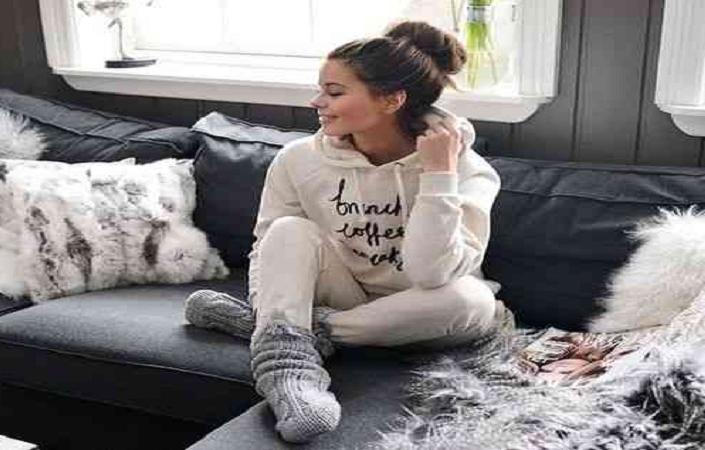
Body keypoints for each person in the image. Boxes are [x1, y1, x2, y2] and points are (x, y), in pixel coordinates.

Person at [184, 20, 511, 443]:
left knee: (473, 299)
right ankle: (290, 370)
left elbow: (432, 273)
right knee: (287, 231)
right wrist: (273, 300)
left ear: (392, 99)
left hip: (426, 312)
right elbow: (269, 254)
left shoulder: (468, 171)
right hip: (345, 291)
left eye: (335, 92)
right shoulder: (298, 160)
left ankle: (292, 331)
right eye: (321, 89)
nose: (317, 101)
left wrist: (438, 175)